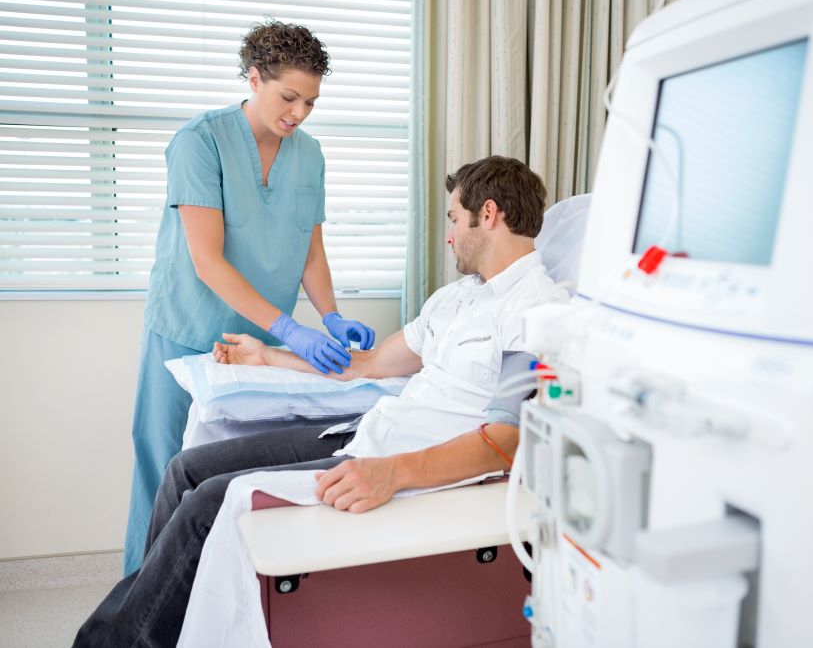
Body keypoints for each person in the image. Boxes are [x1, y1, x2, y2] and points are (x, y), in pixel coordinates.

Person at [74, 155, 568, 647]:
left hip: (397, 459)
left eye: (455, 219)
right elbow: (369, 364)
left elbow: (506, 439)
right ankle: (159, 619)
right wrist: (268, 356)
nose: (449, 235)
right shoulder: (457, 299)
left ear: (488, 214)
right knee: (185, 469)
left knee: (207, 504)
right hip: (369, 430)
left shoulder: (537, 309)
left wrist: (393, 472)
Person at [124, 20, 376, 576]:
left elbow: (310, 252)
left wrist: (330, 315)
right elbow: (207, 259)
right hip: (186, 325)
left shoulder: (308, 155)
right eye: (289, 97)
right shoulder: (200, 142)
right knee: (164, 464)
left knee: (227, 473)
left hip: (254, 340)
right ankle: (140, 593)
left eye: (311, 102)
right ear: (254, 77)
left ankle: (214, 598)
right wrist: (291, 329)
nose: (300, 113)